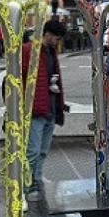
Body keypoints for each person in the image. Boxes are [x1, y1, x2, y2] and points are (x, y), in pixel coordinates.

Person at [23, 19, 68, 202]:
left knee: (42, 150)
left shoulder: (51, 51)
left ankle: (37, 179)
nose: (58, 42)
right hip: (36, 109)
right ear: (47, 34)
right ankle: (27, 185)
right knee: (32, 151)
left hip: (50, 106)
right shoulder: (28, 50)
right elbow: (19, 78)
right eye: (57, 38)